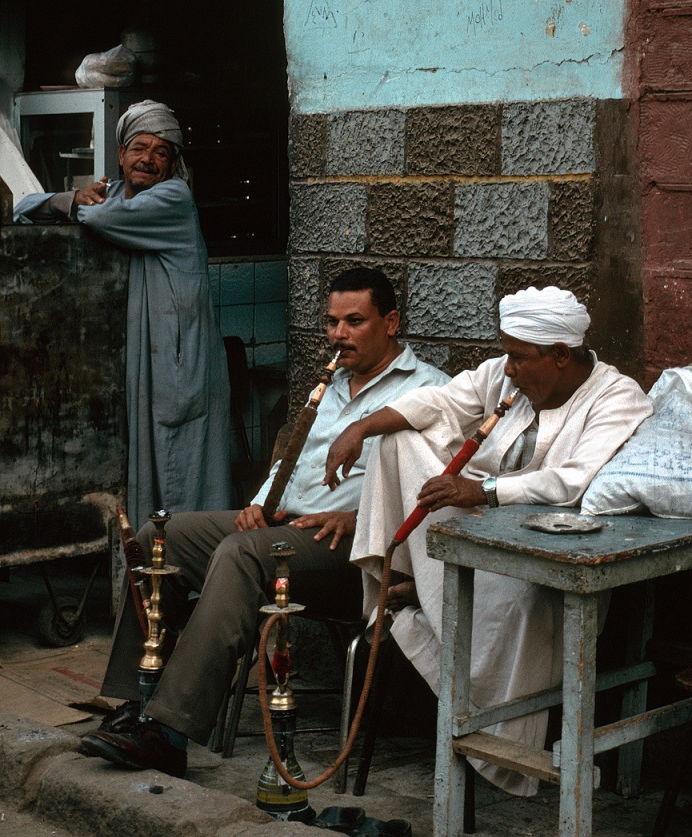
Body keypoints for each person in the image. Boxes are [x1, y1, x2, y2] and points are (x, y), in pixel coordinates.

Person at [79, 266, 449, 776]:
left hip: (353, 544)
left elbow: (440, 486)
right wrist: (258, 501)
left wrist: (361, 514)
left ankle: (168, 731)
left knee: (241, 555)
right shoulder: (332, 383)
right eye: (332, 322)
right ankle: (135, 700)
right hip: (285, 525)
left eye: (354, 321)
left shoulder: (432, 391)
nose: (338, 335)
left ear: (391, 322)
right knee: (158, 538)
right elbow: (289, 459)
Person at [324, 286, 653, 796]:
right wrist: (363, 426)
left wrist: (482, 489)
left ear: (561, 356)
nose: (510, 369)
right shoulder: (504, 371)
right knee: (396, 441)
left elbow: (575, 481)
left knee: (523, 605)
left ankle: (501, 746)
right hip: (470, 522)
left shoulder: (617, 397)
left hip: (543, 546)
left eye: (519, 357)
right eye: (507, 354)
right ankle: (415, 578)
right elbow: (439, 401)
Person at [14, 100, 232, 528]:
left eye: (161, 152)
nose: (148, 159)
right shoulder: (110, 193)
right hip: (141, 364)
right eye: (139, 147)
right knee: (144, 470)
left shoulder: (173, 197)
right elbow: (22, 210)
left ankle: (189, 577)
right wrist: (72, 197)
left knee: (183, 469)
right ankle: (147, 577)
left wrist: (74, 203)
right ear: (120, 153)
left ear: (172, 165)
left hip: (179, 365)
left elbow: (102, 219)